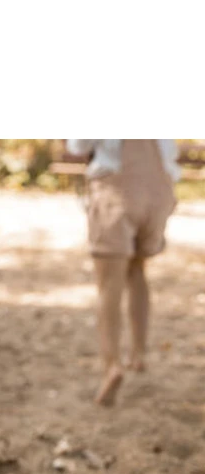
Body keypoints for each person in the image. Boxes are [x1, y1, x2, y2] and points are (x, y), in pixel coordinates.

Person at [67, 140, 180, 406]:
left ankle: (112, 366)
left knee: (109, 285)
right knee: (137, 271)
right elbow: (170, 154)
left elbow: (79, 144)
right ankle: (138, 353)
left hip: (117, 191)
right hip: (157, 195)